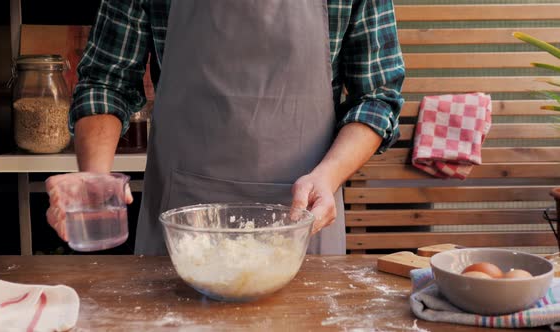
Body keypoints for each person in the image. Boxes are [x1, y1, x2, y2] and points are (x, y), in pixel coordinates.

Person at [46, 0, 405, 255]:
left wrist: (328, 176)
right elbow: (106, 80)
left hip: (304, 224)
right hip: (181, 229)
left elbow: (376, 98)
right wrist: (93, 180)